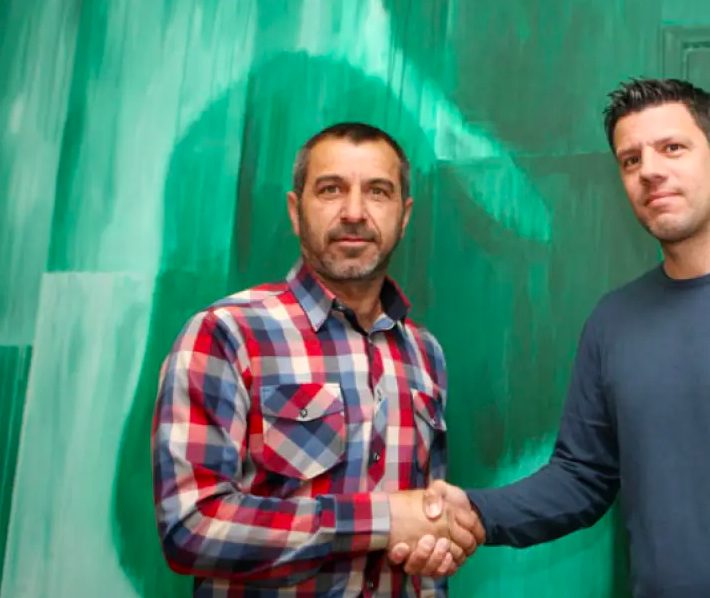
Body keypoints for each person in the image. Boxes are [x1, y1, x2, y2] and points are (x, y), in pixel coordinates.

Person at [389, 78, 710, 597]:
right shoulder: (614, 321)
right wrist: (474, 513)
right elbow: (580, 478)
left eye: (672, 148)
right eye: (631, 160)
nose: (649, 170)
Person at [151, 122, 484, 597]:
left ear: (404, 215)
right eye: (331, 190)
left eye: (378, 192)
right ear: (295, 210)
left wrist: (431, 550)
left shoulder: (424, 354)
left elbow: (423, 529)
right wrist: (383, 519)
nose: (354, 212)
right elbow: (191, 526)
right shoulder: (227, 334)